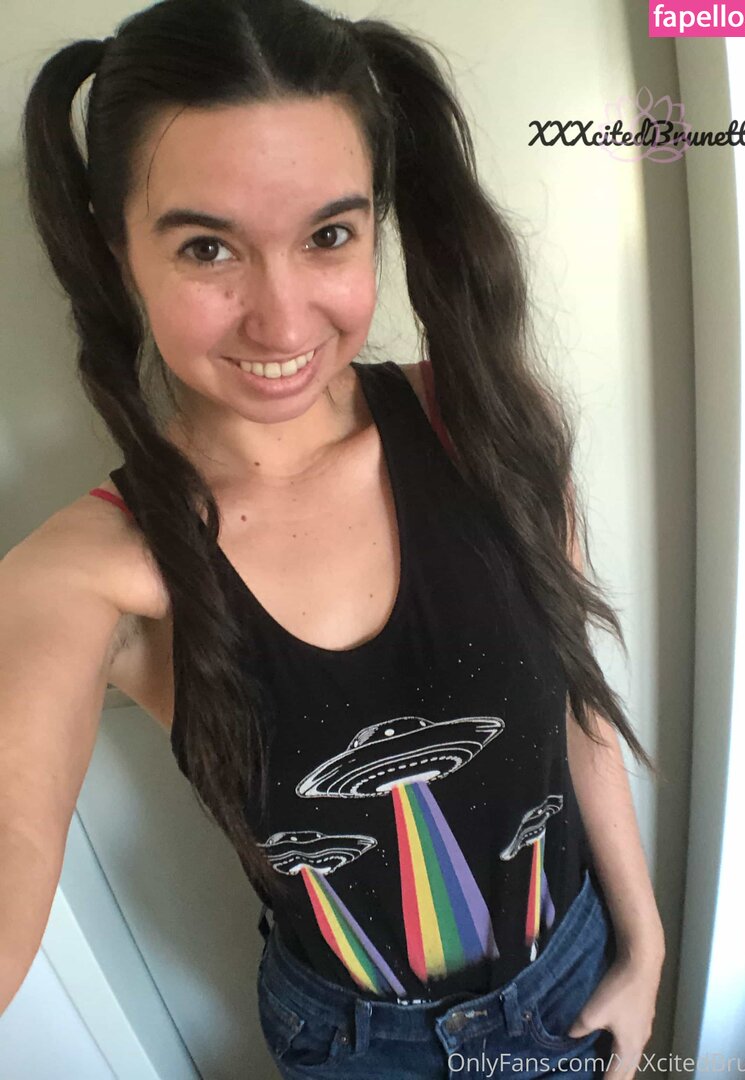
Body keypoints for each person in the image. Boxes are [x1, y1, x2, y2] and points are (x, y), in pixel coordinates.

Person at [2, 0, 665, 1076]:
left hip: (574, 981)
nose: (281, 319)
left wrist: (643, 943)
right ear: (116, 245)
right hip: (355, 1047)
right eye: (207, 247)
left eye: (327, 236)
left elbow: (575, 703)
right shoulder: (95, 570)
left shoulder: (486, 427)